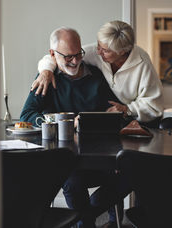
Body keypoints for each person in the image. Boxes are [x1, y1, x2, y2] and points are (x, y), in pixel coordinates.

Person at [20, 27, 128, 228]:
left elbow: (117, 113)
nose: (75, 61)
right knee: (72, 181)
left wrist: (116, 115)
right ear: (52, 54)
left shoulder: (96, 75)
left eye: (79, 54)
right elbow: (26, 116)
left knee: (132, 171)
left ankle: (86, 217)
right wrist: (65, 122)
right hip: (66, 161)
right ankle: (86, 222)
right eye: (68, 56)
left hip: (101, 158)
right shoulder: (46, 78)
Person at [32, 20, 164, 128]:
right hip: (116, 120)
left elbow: (154, 107)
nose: (98, 52)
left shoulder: (142, 63)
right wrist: (46, 71)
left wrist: (127, 109)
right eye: (98, 46)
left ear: (122, 52)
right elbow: (59, 55)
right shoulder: (95, 52)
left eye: (105, 50)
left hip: (142, 124)